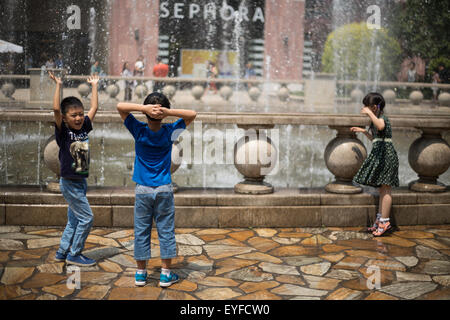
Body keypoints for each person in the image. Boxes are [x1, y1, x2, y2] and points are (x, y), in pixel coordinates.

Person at [116, 92, 196, 287]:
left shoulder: (139, 130)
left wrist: (144, 109)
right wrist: (167, 112)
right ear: (163, 114)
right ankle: (165, 274)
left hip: (143, 189)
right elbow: (192, 114)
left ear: (147, 113)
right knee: (166, 231)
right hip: (164, 188)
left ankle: (141, 274)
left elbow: (120, 106)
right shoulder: (170, 130)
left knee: (141, 231)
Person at [48, 70, 100, 266]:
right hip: (69, 182)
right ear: (65, 117)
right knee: (87, 219)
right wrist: (58, 85)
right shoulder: (64, 132)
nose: (78, 118)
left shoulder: (85, 126)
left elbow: (94, 107)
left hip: (81, 181)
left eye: (80, 114)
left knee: (75, 220)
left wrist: (94, 85)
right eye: (73, 115)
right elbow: (55, 109)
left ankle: (62, 251)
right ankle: (75, 253)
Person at [351, 92, 399, 237]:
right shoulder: (375, 120)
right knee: (382, 190)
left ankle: (384, 222)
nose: (364, 108)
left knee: (386, 189)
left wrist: (370, 114)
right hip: (381, 156)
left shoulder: (381, 118)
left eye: (367, 106)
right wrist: (364, 132)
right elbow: (376, 139)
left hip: (387, 157)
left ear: (374, 107)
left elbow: (381, 126)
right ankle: (380, 220)